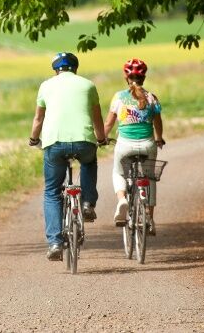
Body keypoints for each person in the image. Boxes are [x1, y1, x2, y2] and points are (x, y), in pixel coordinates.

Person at [28, 52, 108, 261]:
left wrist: (33, 139)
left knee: (52, 192)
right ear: (75, 68)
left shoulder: (46, 86)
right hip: (84, 141)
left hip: (54, 143)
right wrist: (101, 139)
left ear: (56, 69)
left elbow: (38, 119)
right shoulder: (88, 85)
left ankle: (55, 243)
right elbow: (97, 117)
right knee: (88, 162)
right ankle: (88, 203)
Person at [103, 57, 165, 234]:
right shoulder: (152, 98)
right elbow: (158, 123)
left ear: (126, 77)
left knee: (118, 172)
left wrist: (102, 139)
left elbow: (108, 123)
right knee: (150, 178)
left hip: (125, 146)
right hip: (147, 145)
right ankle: (149, 218)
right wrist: (159, 138)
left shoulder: (119, 97)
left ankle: (122, 199)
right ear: (144, 77)